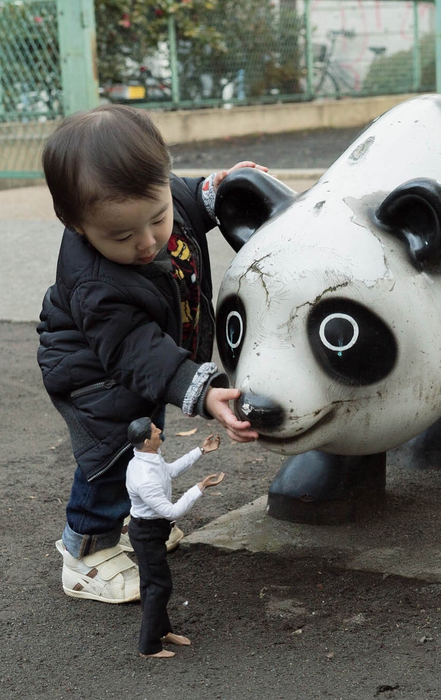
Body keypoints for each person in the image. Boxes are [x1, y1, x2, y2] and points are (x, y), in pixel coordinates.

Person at [37, 103, 260, 605]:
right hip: (95, 377)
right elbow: (135, 351)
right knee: (112, 458)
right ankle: (85, 552)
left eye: (157, 219)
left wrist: (224, 188)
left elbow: (193, 199)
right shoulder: (96, 285)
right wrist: (200, 393)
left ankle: (141, 520)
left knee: (147, 445)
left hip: (146, 365)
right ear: (74, 224)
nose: (147, 242)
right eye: (121, 235)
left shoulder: (164, 198)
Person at [125, 417, 223, 658]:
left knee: (152, 585)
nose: (160, 430)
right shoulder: (144, 478)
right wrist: (200, 488)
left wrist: (200, 451)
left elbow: (170, 471)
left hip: (154, 530)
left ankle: (162, 630)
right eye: (155, 430)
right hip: (147, 533)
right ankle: (148, 646)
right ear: (147, 440)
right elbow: (172, 511)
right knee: (159, 586)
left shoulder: (149, 458)